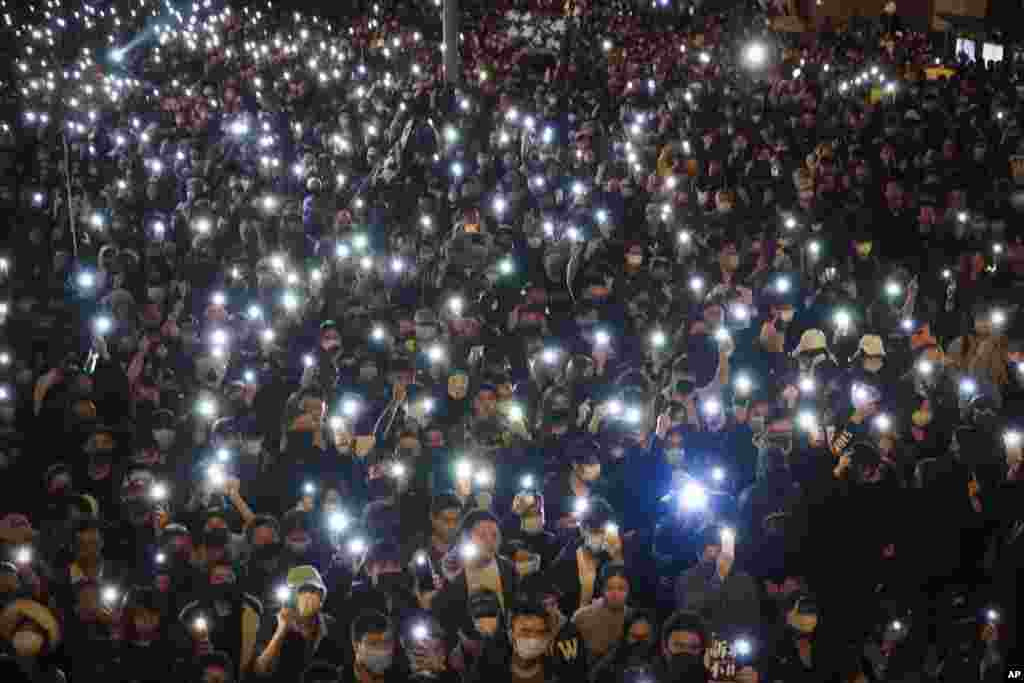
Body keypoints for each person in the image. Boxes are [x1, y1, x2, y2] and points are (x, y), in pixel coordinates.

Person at [252, 565, 345, 681]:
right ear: (291, 597)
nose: (309, 596)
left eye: (314, 591)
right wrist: (281, 631)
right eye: (303, 590)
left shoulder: (331, 625)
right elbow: (260, 670)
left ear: (322, 596)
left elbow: (340, 667)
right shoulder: (272, 622)